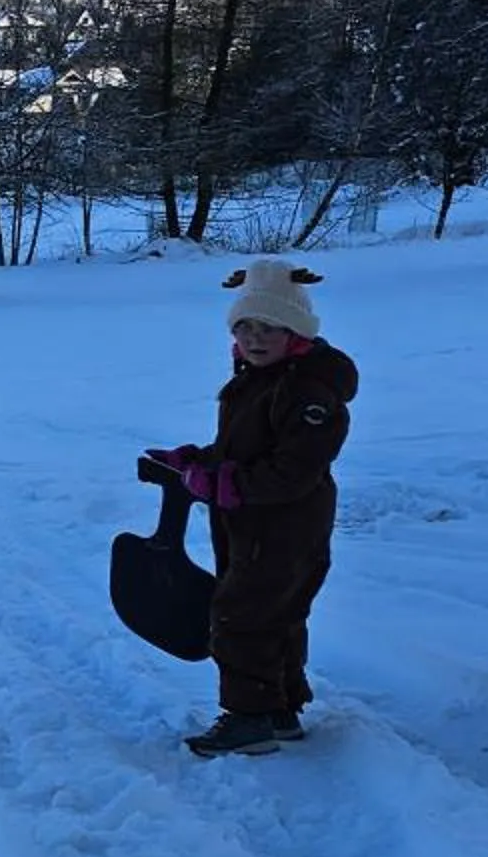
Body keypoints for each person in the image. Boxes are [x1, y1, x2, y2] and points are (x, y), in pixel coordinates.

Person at [149, 260, 359, 757]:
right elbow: (243, 448)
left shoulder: (308, 392)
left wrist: (224, 485)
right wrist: (195, 462)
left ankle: (249, 718)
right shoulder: (259, 378)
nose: (255, 339)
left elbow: (293, 471)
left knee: (242, 615)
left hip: (286, 525)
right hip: (255, 524)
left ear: (296, 333)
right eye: (245, 328)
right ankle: (279, 709)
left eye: (269, 329)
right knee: (273, 613)